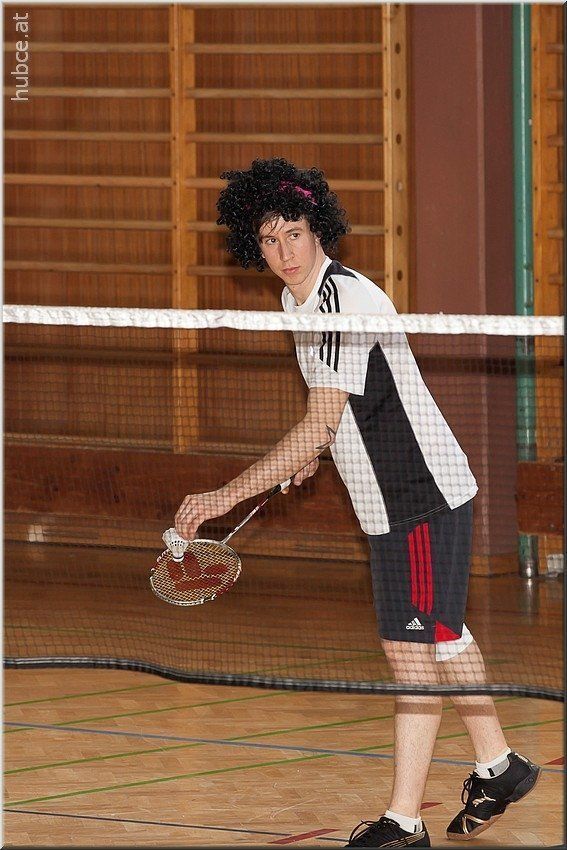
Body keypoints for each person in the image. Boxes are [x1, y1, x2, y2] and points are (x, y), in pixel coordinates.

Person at [174, 157, 541, 847]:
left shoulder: (341, 299)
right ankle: (500, 765)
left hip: (417, 496)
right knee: (438, 636)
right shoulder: (297, 302)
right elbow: (338, 411)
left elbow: (320, 419)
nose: (283, 251)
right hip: (385, 502)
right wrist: (312, 453)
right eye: (269, 239)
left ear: (319, 230)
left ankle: (404, 822)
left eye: (294, 234)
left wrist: (227, 493)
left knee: (410, 655)